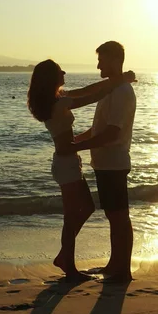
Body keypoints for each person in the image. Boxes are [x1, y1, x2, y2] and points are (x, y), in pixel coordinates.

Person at [27, 59, 135, 282]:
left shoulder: (57, 99)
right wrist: (119, 81)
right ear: (52, 78)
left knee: (86, 207)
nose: (64, 72)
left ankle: (65, 255)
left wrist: (115, 81)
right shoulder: (58, 104)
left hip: (69, 161)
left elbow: (87, 90)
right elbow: (91, 97)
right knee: (71, 215)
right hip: (65, 163)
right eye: (60, 71)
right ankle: (69, 265)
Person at [62, 41, 136, 282]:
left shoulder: (122, 92)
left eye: (101, 60)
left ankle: (122, 270)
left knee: (119, 217)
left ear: (115, 60)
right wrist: (75, 141)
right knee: (114, 216)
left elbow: (112, 133)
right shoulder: (111, 90)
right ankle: (115, 264)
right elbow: (98, 130)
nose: (98, 65)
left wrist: (79, 146)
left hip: (114, 162)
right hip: (105, 163)